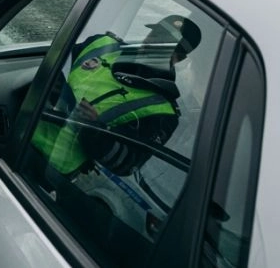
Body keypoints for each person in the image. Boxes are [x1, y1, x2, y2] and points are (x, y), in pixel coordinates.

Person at [31, 15, 203, 178]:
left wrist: (94, 130)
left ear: (179, 58)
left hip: (47, 171)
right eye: (154, 33)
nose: (151, 40)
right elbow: (51, 64)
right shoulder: (101, 44)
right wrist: (53, 86)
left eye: (163, 41)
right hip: (24, 125)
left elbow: (127, 164)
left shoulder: (163, 113)